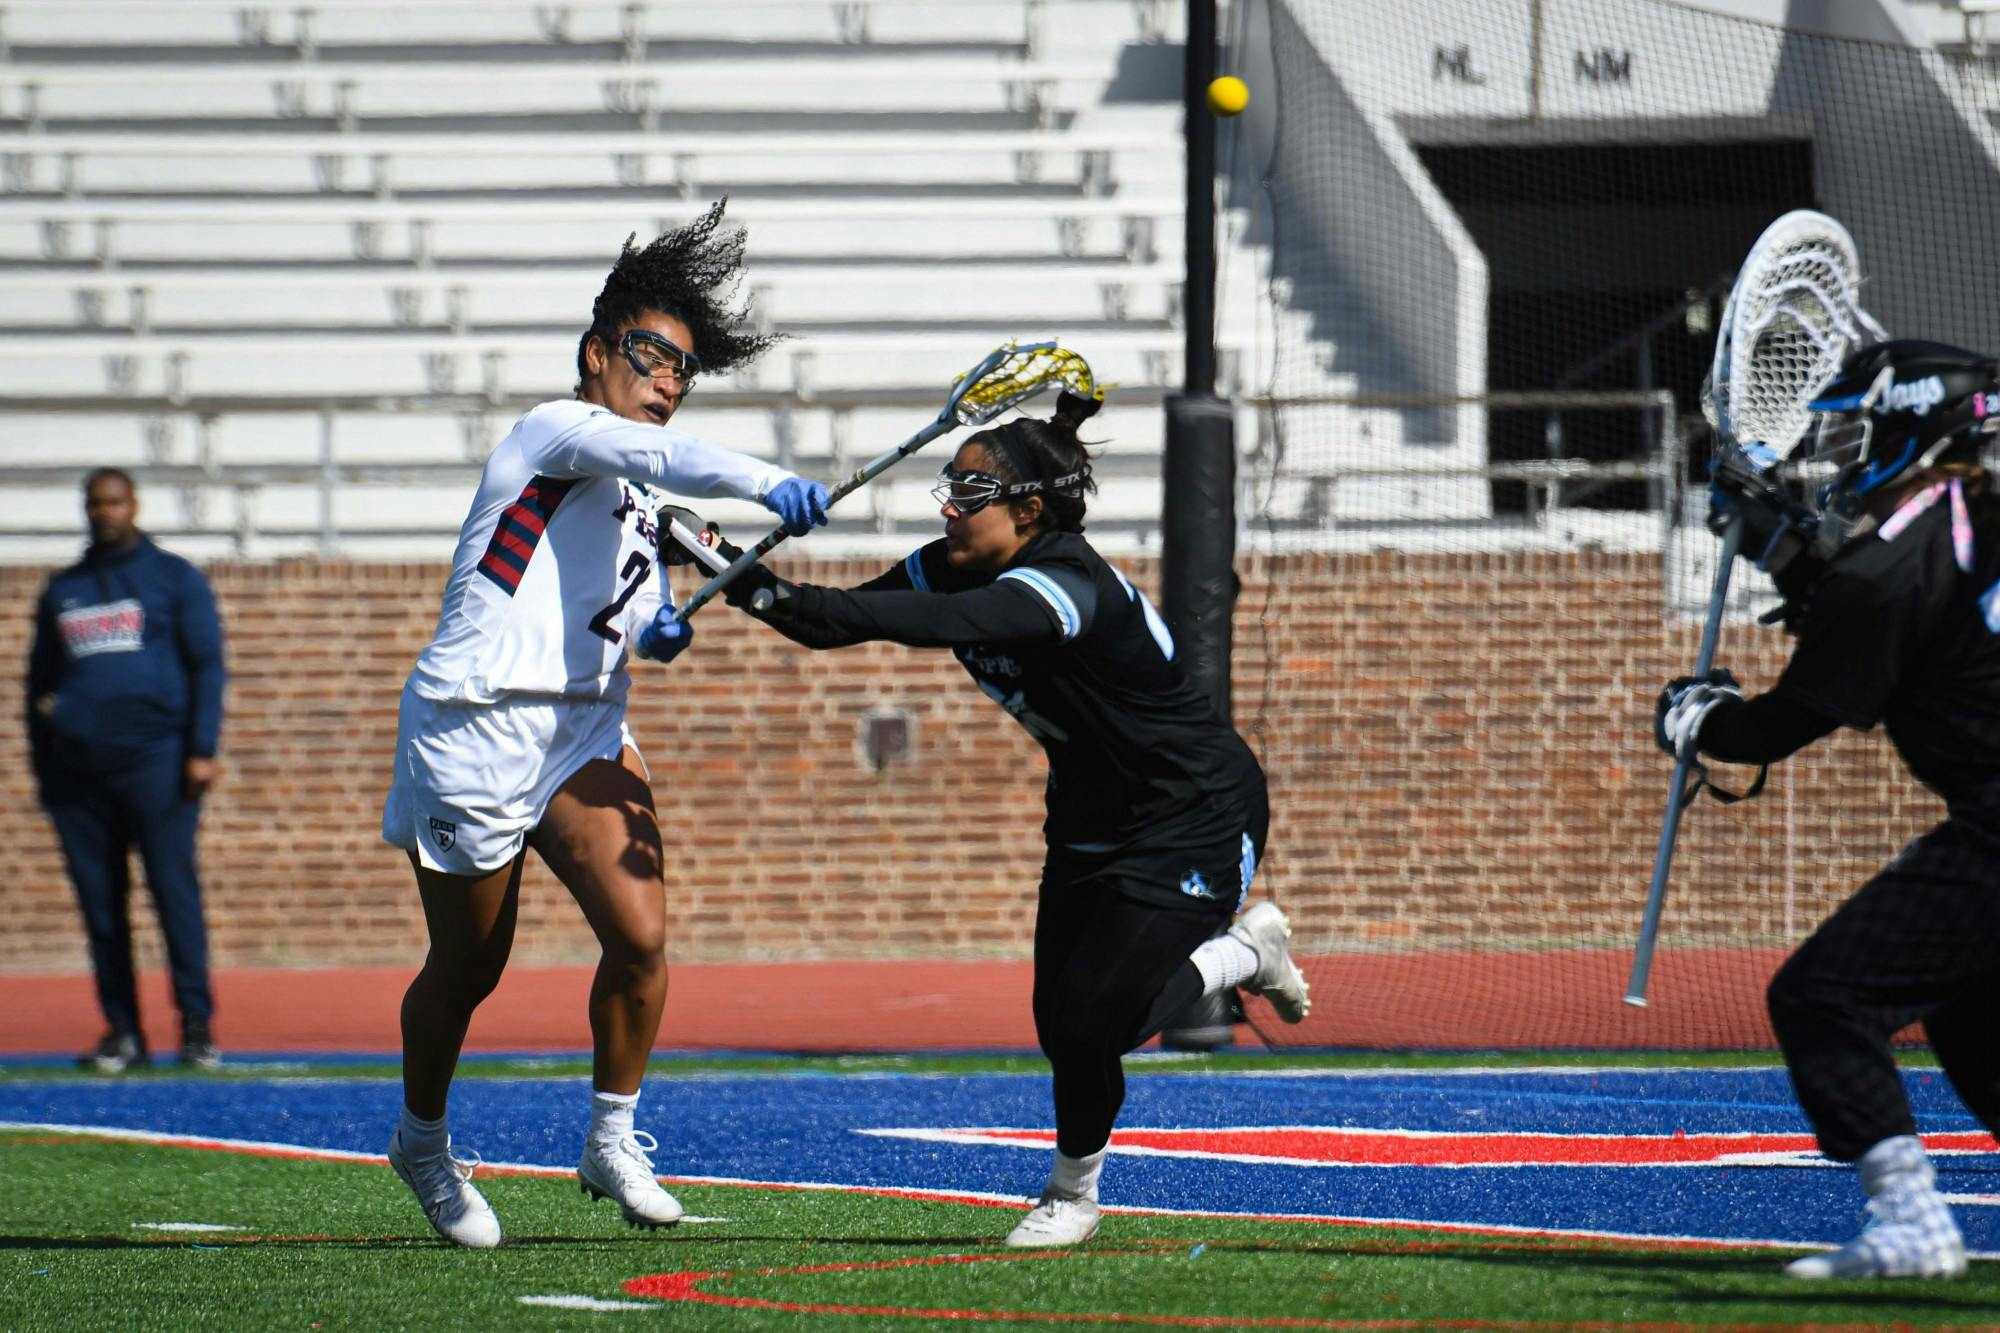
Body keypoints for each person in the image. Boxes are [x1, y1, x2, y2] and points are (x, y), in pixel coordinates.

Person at [679, 389, 1312, 1248]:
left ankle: (1077, 1189)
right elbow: (830, 627)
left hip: (1191, 814)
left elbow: (910, 621)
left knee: (1097, 1019)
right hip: (1090, 815)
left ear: (1029, 509)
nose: (948, 507)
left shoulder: (1062, 582)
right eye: (949, 487)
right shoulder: (952, 559)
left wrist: (753, 583)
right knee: (1063, 1025)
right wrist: (714, 564)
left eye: (969, 496)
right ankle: (1242, 954)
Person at [378, 201, 831, 1249]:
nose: (668, 380)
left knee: (640, 936)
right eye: (649, 355)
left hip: (583, 728)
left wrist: (654, 633)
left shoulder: (634, 485)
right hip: (477, 728)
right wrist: (770, 483)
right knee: (468, 970)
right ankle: (422, 1142)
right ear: (597, 352)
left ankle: (610, 1138)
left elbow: (621, 613)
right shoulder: (554, 429)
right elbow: (667, 465)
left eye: (682, 368)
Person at [1655, 339, 2000, 1281]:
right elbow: (1902, 611)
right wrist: (1801, 560)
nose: (1847, 457)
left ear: (1911, 429)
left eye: (1863, 433)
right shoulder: (1963, 525)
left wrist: (1701, 720)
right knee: (1969, 1012)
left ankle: (1911, 1224)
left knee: (1823, 994)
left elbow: (1782, 723)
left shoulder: (1892, 569)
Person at [27, 467, 226, 1074]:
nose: (104, 512)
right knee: (101, 905)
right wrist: (44, 766)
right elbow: (39, 685)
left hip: (157, 764)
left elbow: (207, 666)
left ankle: (195, 1029)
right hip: (79, 778)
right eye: (94, 503)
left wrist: (201, 748)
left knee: (173, 894)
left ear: (133, 505)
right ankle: (124, 1030)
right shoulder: (65, 589)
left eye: (114, 501)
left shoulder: (173, 579)